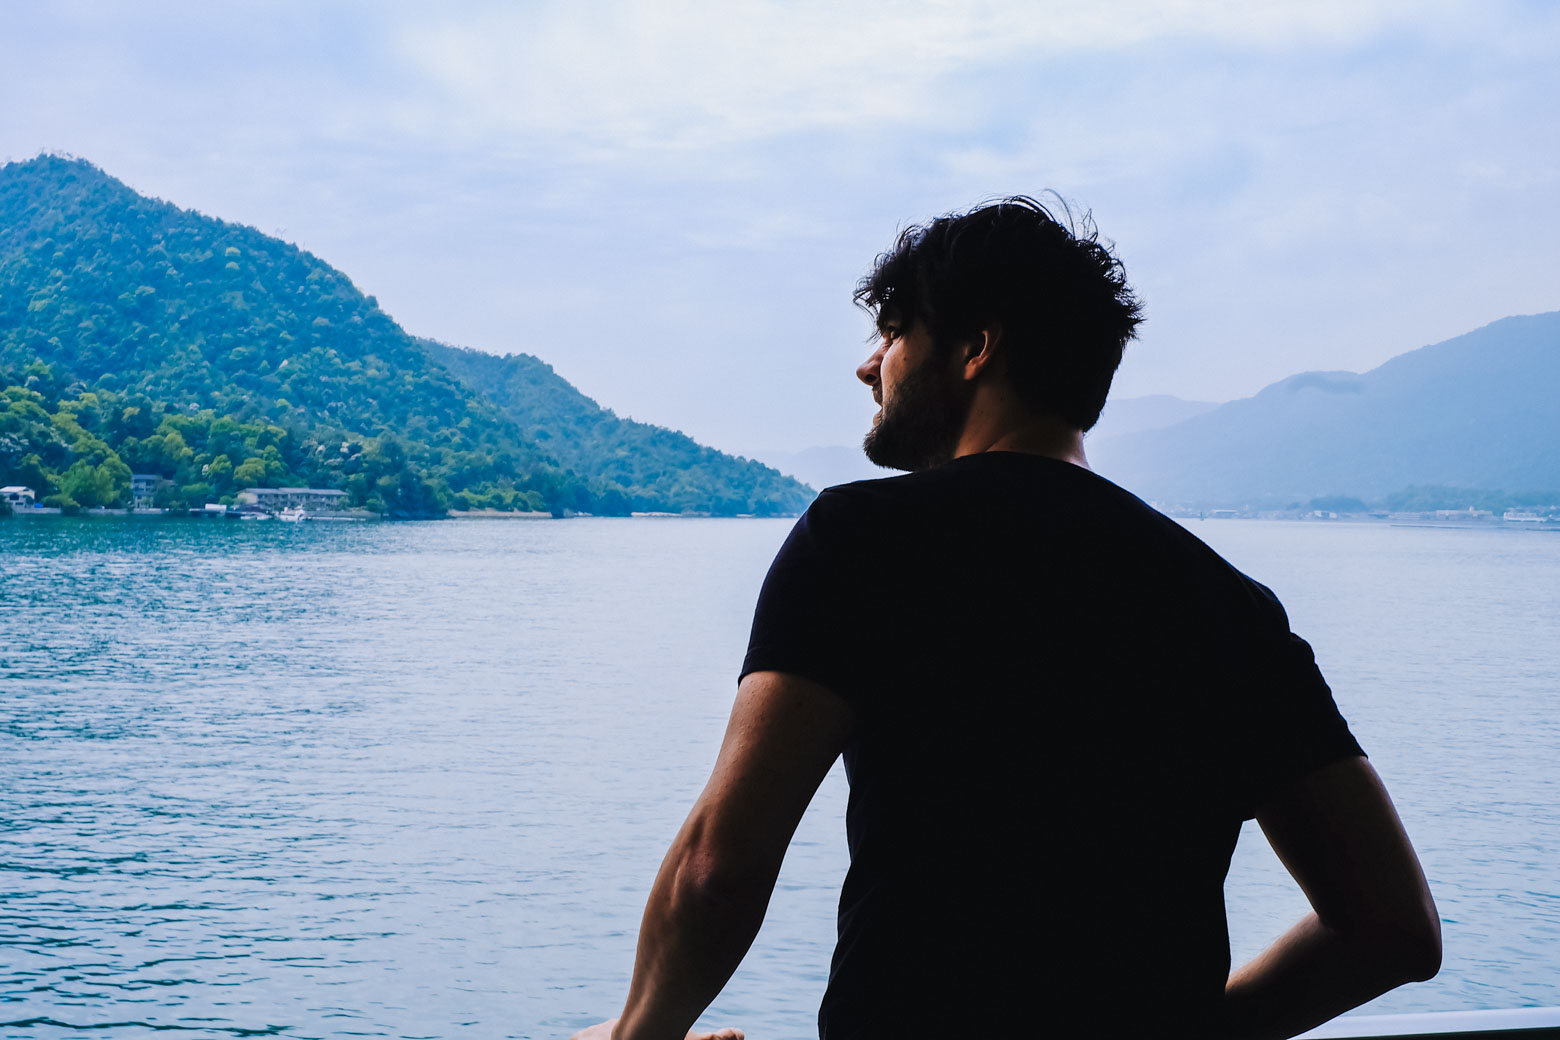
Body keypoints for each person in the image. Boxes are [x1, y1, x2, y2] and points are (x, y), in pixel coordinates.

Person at [570, 197, 1441, 1040]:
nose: (869, 366)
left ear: (975, 348)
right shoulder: (1228, 604)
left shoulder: (861, 540)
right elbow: (1393, 929)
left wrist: (640, 1033)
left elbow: (718, 871)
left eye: (894, 332)